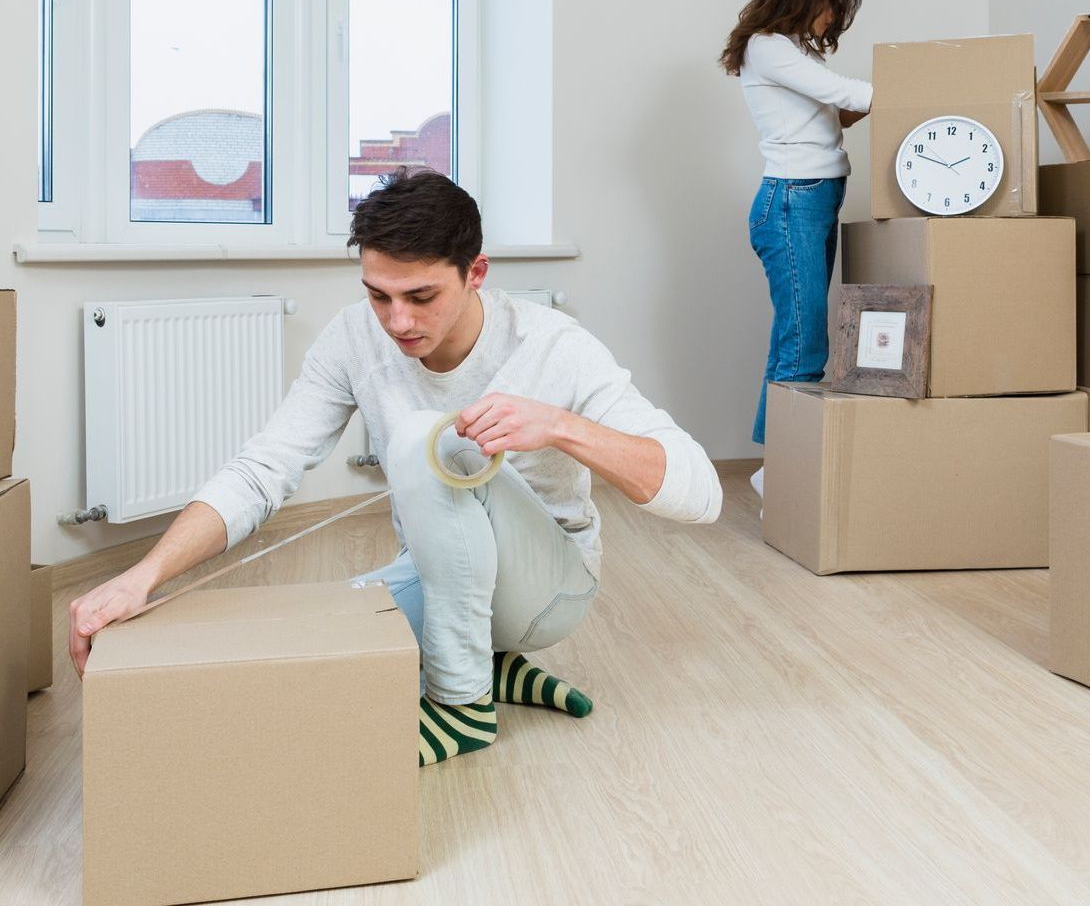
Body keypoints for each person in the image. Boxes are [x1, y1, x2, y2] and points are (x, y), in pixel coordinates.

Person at [69, 169, 722, 766]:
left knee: (420, 439)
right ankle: (493, 665)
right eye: (379, 296)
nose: (397, 321)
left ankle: (463, 702)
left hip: (552, 590)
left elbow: (700, 493)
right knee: (307, 649)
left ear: (477, 272)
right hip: (445, 579)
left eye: (420, 295)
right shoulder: (355, 337)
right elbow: (263, 469)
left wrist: (562, 426)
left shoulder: (554, 346)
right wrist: (142, 576)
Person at [720, 0, 871, 499]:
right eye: (834, 0)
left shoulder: (796, 54)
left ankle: (776, 467)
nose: (836, 14)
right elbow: (844, 94)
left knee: (802, 337)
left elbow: (838, 110)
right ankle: (780, 472)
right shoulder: (768, 47)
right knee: (803, 341)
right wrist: (913, 86)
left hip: (814, 197)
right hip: (792, 201)